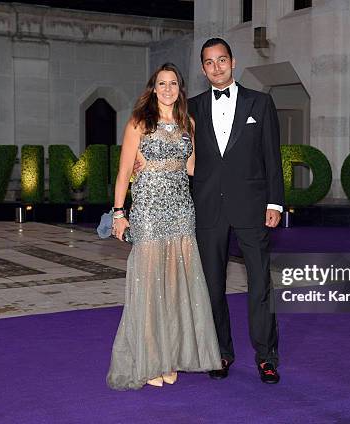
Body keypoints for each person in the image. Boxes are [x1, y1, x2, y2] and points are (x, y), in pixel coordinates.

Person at [106, 63, 221, 390]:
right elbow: (124, 170)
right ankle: (148, 361)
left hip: (182, 212)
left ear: (179, 89)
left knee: (174, 287)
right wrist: (118, 212)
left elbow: (193, 168)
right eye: (162, 83)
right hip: (149, 211)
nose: (168, 88)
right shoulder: (139, 123)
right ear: (153, 88)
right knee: (149, 286)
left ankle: (169, 358)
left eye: (173, 83)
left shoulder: (189, 124)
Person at [188, 38, 285, 384]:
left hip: (252, 207)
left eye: (222, 60)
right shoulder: (192, 108)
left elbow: (272, 156)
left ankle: (267, 356)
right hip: (208, 207)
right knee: (212, 286)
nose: (216, 67)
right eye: (209, 63)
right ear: (203, 68)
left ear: (233, 61)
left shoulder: (261, 102)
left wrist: (275, 202)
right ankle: (220, 353)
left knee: (259, 283)